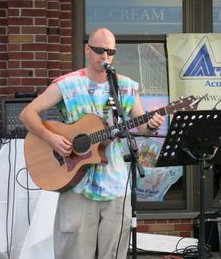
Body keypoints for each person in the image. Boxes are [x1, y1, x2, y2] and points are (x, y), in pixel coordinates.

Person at [19, 27, 165, 259]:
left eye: (110, 51)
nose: (104, 56)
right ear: (87, 49)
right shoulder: (67, 84)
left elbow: (143, 128)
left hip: (117, 187)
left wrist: (153, 123)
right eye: (99, 50)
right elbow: (28, 114)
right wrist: (52, 138)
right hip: (77, 185)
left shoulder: (126, 86)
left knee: (114, 255)